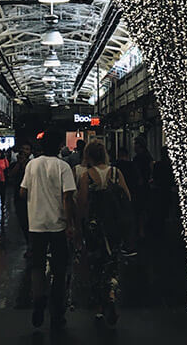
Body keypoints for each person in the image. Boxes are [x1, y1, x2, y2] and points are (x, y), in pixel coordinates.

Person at [20, 128, 77, 330]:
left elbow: (22, 191)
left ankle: (38, 300)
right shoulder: (63, 167)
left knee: (37, 265)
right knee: (60, 269)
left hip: (36, 224)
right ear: (60, 146)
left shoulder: (31, 165)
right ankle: (57, 311)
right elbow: (68, 197)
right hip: (58, 225)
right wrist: (70, 224)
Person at [77, 139, 132, 326]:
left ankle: (99, 307)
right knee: (113, 263)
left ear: (88, 156)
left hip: (94, 228)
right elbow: (127, 197)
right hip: (114, 227)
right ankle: (111, 295)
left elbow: (82, 203)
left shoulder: (87, 176)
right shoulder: (116, 173)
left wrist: (79, 227)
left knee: (95, 265)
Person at [7, 141, 32, 249]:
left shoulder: (32, 164)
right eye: (23, 149)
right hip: (18, 196)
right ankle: (28, 243)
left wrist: (25, 163)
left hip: (31, 196)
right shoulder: (15, 163)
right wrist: (18, 163)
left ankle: (32, 245)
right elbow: (11, 175)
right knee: (22, 221)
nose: (24, 151)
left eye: (27, 149)